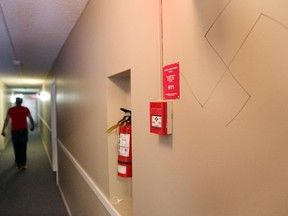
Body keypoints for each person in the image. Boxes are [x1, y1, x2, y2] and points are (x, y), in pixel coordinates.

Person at [1, 97, 35, 170]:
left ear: (15, 102)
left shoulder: (11, 110)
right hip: (23, 131)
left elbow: (6, 120)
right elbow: (30, 118)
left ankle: (17, 160)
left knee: (16, 146)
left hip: (14, 131)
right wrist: (32, 126)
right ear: (21, 102)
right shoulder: (25, 109)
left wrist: (3, 130)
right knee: (23, 147)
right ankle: (22, 164)